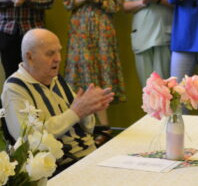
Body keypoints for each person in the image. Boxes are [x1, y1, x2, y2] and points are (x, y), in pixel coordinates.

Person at [1, 28, 114, 166]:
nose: (58, 58)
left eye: (59, 51)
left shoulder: (55, 78)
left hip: (91, 154)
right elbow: (29, 139)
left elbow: (87, 128)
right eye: (50, 54)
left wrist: (87, 109)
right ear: (30, 57)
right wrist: (76, 112)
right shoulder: (15, 87)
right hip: (63, 166)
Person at [63, 0, 125, 129]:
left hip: (103, 30)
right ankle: (78, 126)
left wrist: (99, 0)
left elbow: (117, 5)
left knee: (100, 77)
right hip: (80, 30)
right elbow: (66, 2)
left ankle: (103, 128)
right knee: (82, 76)